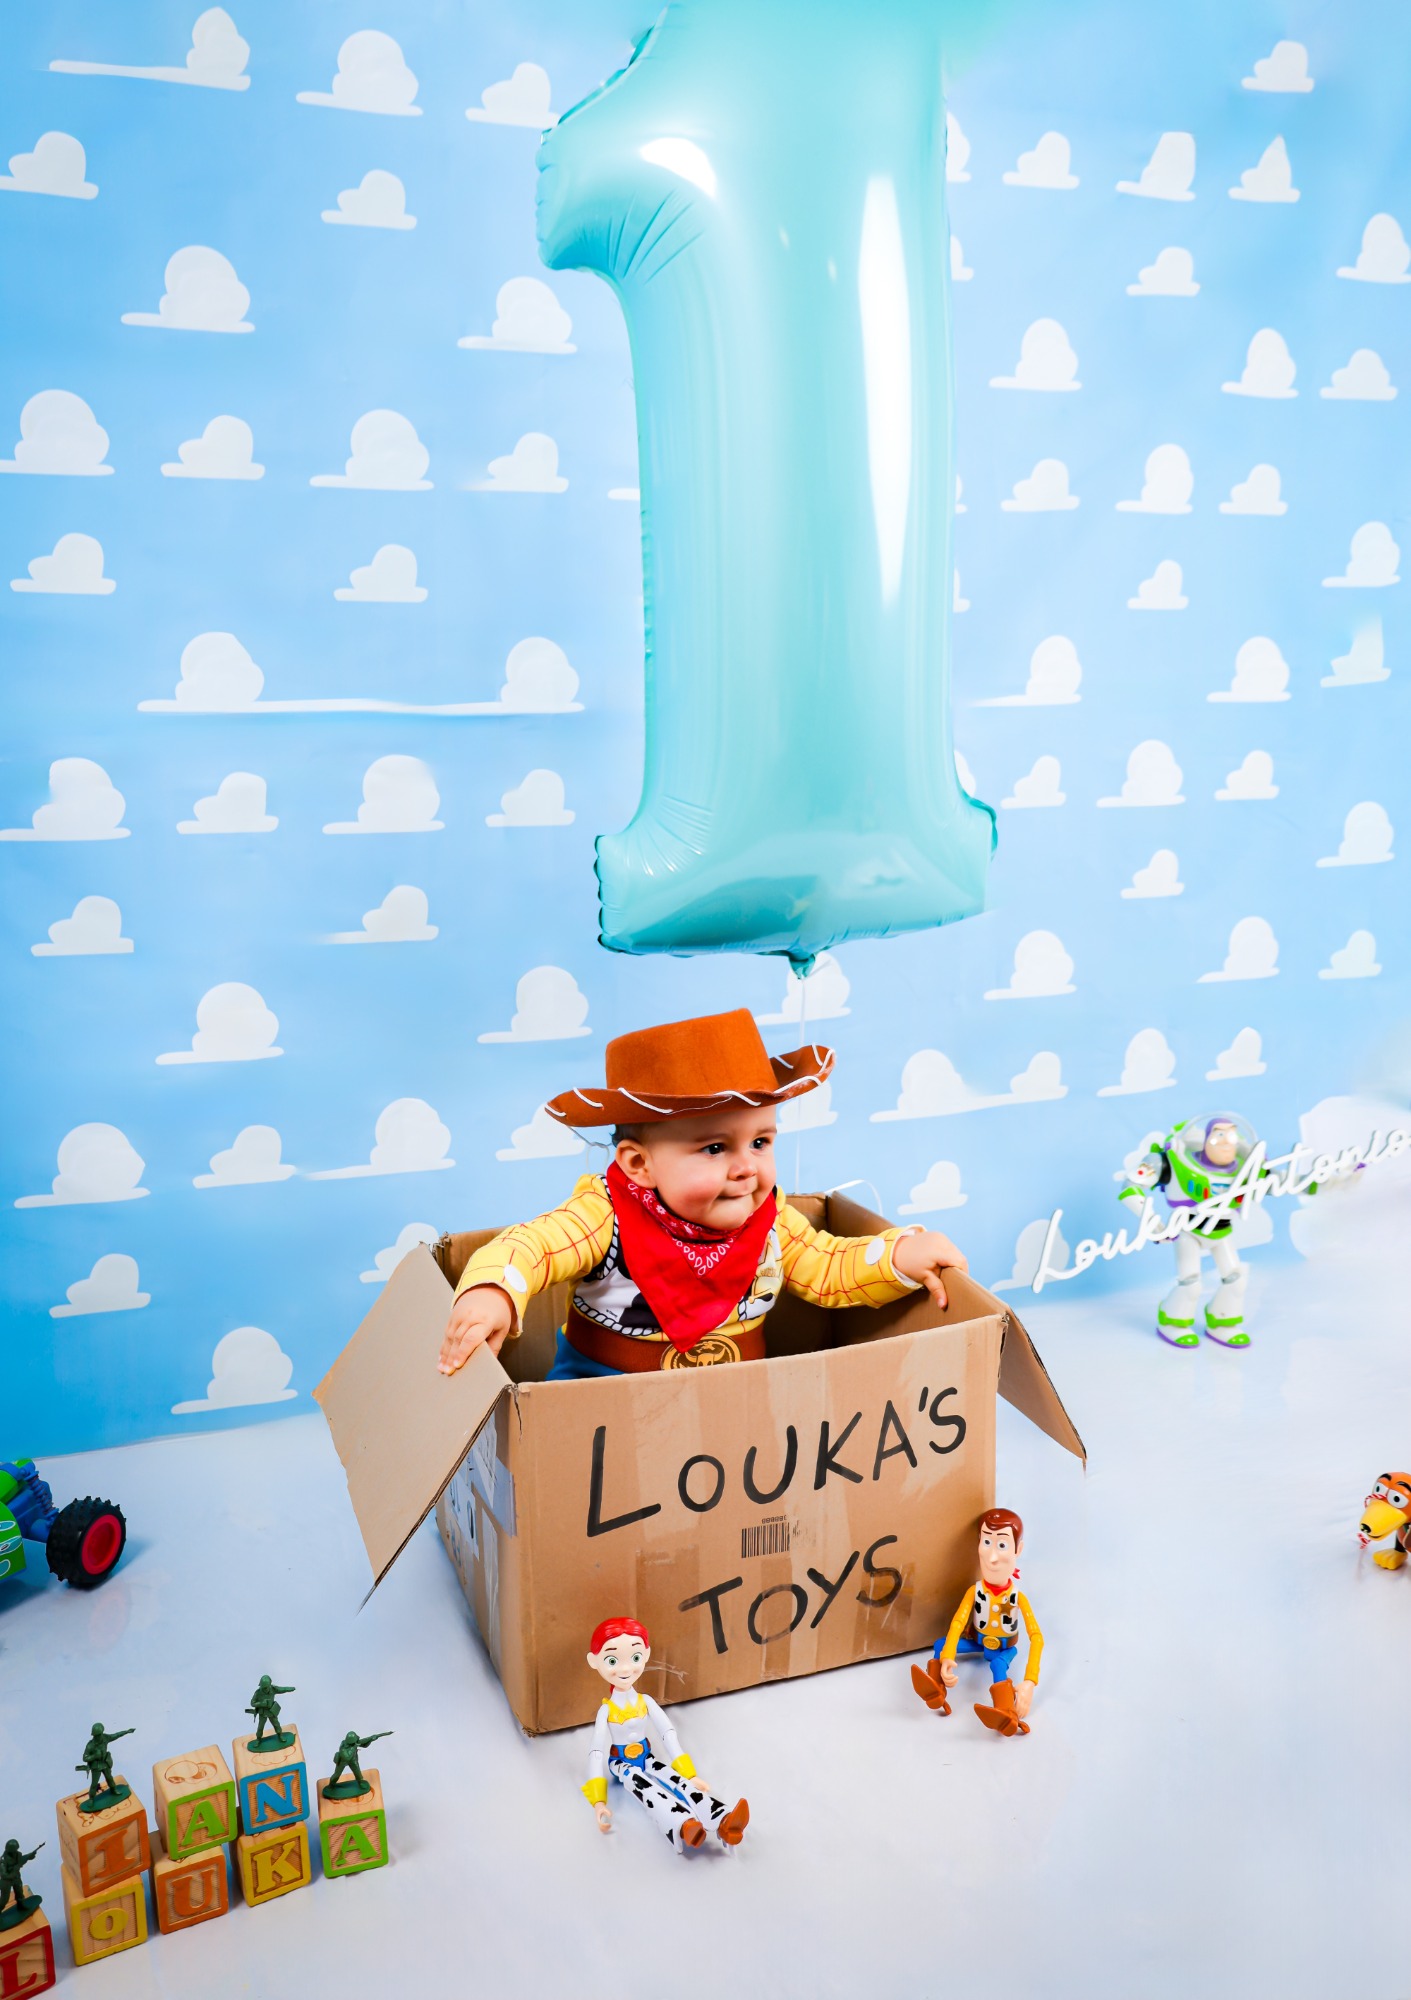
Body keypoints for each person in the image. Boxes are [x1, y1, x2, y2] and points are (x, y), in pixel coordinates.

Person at [438, 1007, 968, 1380]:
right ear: (639, 1165)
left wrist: (899, 1255)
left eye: (760, 1142)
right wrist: (493, 1292)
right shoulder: (604, 1214)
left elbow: (828, 1268)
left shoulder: (770, 1219)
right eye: (715, 1148)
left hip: (731, 1407)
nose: (747, 1167)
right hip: (600, 1404)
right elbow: (532, 1247)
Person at [581, 1617, 746, 1850]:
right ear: (594, 1661)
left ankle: (722, 1820)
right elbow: (596, 1751)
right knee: (647, 1789)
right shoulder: (606, 1710)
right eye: (612, 1660)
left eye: (635, 1658)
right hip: (621, 1762)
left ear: (646, 1654)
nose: (626, 1669)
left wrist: (688, 1774)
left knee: (675, 1780)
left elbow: (668, 1733)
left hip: (646, 1756)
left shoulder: (645, 1701)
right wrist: (598, 1800)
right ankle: (683, 1825)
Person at [911, 1507, 1043, 1736]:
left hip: (1004, 1648)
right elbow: (958, 1622)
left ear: (1018, 1549)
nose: (992, 1557)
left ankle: (1006, 1712)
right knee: (941, 1645)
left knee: (998, 1665)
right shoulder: (976, 1591)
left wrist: (1030, 1682)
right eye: (987, 1542)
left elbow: (1037, 1638)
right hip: (978, 1641)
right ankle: (935, 1687)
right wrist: (948, 1655)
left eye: (1002, 1545)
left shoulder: (1017, 1598)